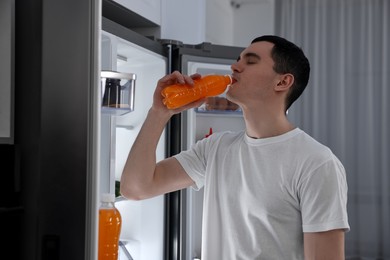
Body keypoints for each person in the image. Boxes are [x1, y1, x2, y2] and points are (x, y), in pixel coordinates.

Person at [120, 35, 349, 260]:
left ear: (282, 82)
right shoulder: (215, 148)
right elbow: (135, 188)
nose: (234, 66)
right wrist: (159, 112)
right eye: (238, 60)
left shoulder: (316, 163)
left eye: (250, 61)